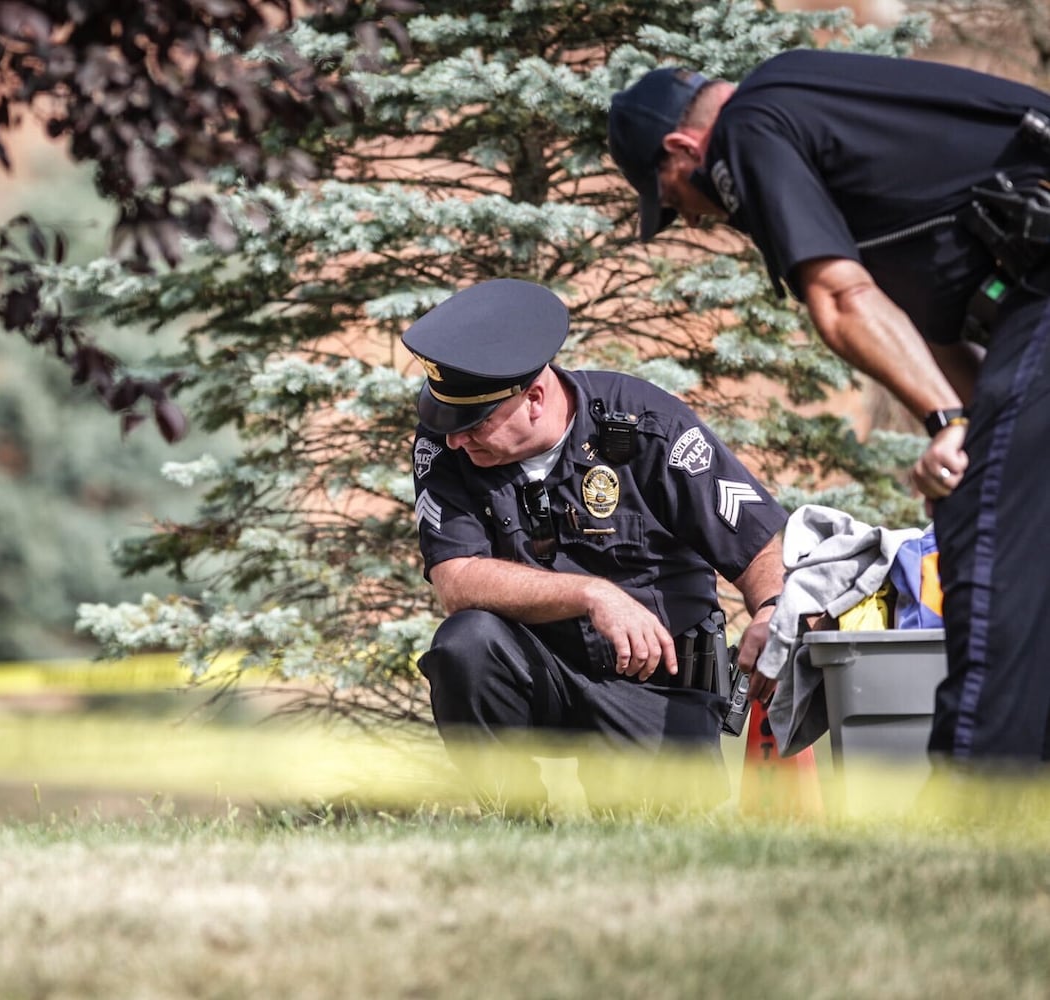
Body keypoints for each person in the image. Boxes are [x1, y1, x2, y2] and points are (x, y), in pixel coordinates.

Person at [607, 50, 1050, 766]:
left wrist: (951, 427)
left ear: (683, 148)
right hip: (1027, 300)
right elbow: (931, 327)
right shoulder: (828, 124)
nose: (693, 219)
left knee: (984, 537)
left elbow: (841, 299)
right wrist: (973, 426)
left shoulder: (752, 123)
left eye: (674, 200)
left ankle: (978, 819)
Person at [403, 278, 787, 809]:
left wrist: (770, 610)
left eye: (476, 423)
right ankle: (513, 826)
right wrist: (592, 593)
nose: (455, 440)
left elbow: (756, 539)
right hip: (539, 668)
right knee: (465, 645)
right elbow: (456, 578)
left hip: (660, 677)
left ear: (534, 398)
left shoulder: (646, 423)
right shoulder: (447, 447)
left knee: (658, 848)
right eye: (448, 423)